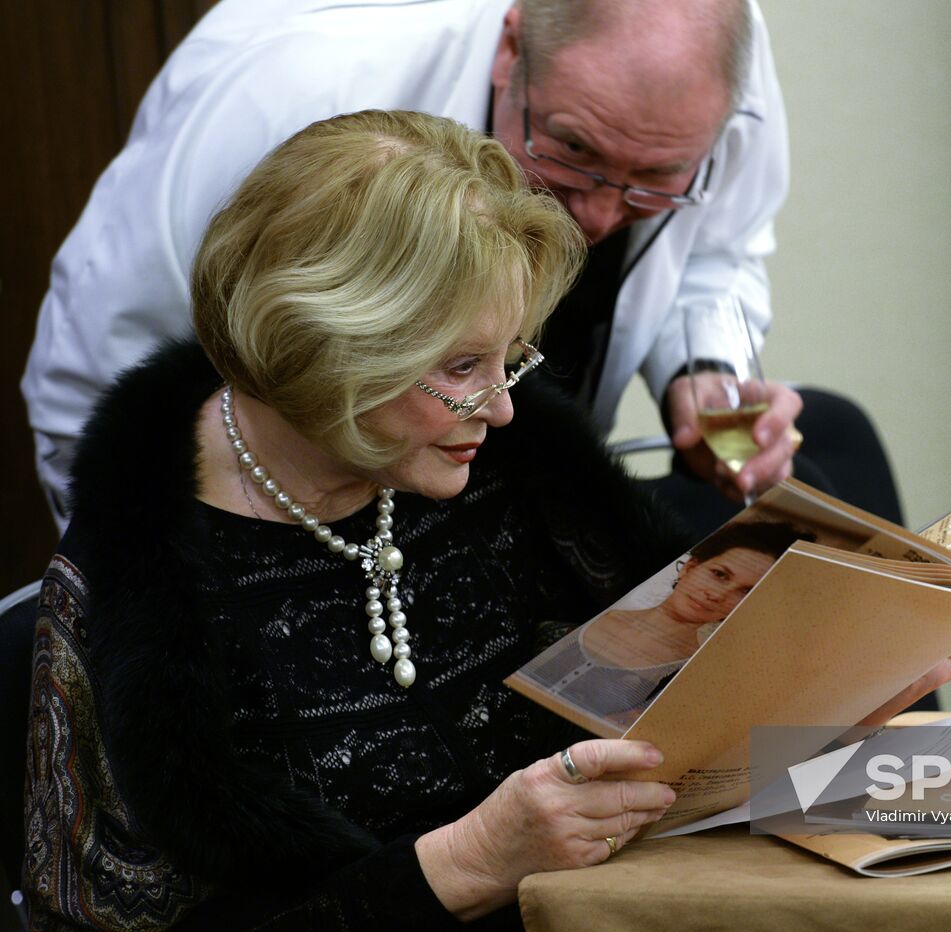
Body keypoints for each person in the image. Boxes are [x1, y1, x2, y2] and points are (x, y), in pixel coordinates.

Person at [23, 110, 699, 929]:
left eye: (510, 356)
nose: (506, 409)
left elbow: (671, 669)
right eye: (460, 366)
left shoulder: (513, 471)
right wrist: (471, 861)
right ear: (326, 347)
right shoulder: (135, 591)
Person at [23, 0, 903, 538]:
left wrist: (706, 377)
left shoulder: (714, 51)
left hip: (505, 511)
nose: (597, 219)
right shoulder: (297, 92)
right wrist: (167, 577)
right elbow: (97, 371)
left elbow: (719, 248)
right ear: (512, 50)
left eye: (654, 182)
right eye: (573, 150)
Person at [528, 521, 815, 720]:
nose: (716, 595)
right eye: (720, 574)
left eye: (745, 592)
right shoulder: (586, 604)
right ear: (691, 567)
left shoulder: (692, 680)